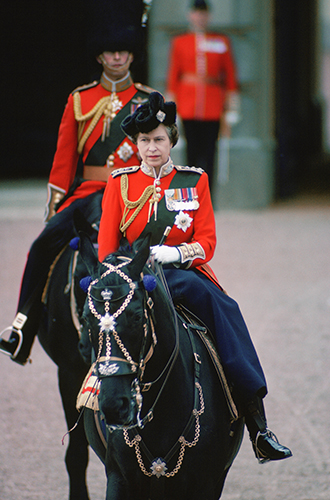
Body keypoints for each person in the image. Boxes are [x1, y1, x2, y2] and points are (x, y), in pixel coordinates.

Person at [97, 91, 292, 464]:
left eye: (158, 140)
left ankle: (256, 421)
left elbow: (206, 242)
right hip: (135, 280)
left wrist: (175, 253)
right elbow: (108, 250)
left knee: (226, 310)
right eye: (144, 141)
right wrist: (126, 272)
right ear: (135, 144)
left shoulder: (193, 180)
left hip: (182, 276)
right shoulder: (119, 184)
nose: (151, 148)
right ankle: (91, 402)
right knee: (102, 323)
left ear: (172, 140)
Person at [0, 0, 154, 366]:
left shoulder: (147, 102)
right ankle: (22, 326)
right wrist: (55, 204)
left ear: (132, 56)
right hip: (87, 194)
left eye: (123, 51)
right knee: (41, 248)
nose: (117, 57)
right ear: (99, 56)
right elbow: (65, 159)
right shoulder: (80, 100)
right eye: (110, 51)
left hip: (133, 194)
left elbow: (155, 158)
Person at [166, 0, 240, 189]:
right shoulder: (180, 42)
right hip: (188, 105)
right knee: (191, 156)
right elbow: (173, 76)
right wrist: (171, 106)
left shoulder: (220, 41)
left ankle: (208, 199)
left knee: (210, 156)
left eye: (203, 14)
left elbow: (230, 76)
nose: (200, 17)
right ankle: (191, 196)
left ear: (208, 16)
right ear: (190, 15)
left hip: (213, 106)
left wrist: (231, 108)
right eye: (197, 13)